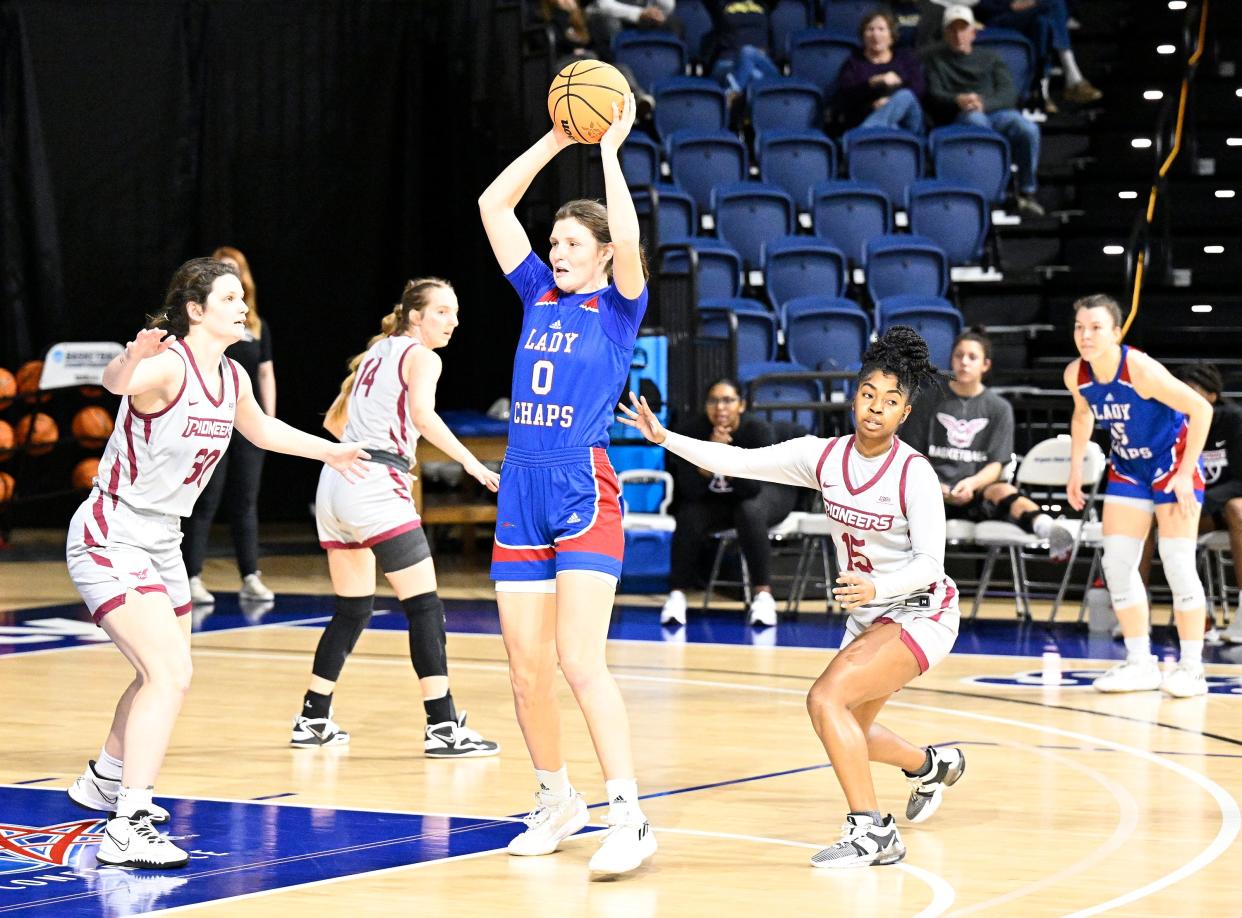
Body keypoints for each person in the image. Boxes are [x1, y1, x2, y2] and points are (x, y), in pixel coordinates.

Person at [621, 326, 966, 868]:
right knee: (851, 728)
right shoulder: (822, 456)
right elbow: (737, 462)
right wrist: (664, 437)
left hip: (921, 612)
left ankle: (873, 833)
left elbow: (930, 566)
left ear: (905, 413)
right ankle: (930, 765)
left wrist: (878, 586)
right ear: (854, 396)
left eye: (891, 401)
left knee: (824, 701)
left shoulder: (913, 474)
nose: (876, 408)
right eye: (869, 394)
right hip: (868, 616)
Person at [64, 258, 368, 869]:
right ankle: (129, 820)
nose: (241, 304)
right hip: (112, 531)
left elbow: (264, 432)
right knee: (168, 673)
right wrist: (129, 358)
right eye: (228, 296)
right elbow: (118, 381)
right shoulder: (168, 362)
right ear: (196, 310)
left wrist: (333, 453)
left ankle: (105, 777)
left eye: (242, 297)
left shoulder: (231, 377)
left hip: (163, 540)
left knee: (167, 672)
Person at [478, 95, 657, 875]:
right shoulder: (535, 295)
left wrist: (611, 154)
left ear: (600, 252)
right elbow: (492, 202)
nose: (555, 249)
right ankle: (557, 797)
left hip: (583, 487)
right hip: (521, 485)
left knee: (581, 661)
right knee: (524, 669)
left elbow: (632, 239)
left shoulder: (619, 308)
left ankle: (630, 815)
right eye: (552, 239)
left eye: (571, 241)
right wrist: (556, 137)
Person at [292, 278, 501, 758]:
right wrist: (470, 463)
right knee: (425, 606)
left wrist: (387, 455)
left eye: (455, 312)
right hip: (372, 487)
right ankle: (443, 726)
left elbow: (334, 423)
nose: (452, 321)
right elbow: (425, 418)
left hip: (335, 484)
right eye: (443, 311)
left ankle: (313, 716)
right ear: (415, 317)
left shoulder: (377, 352)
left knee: (354, 609)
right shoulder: (423, 357)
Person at [1064, 294, 1212, 697]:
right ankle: (1140, 662)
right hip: (1129, 467)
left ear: (1116, 333)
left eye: (1095, 328)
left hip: (1171, 463)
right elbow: (1082, 414)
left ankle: (1192, 668)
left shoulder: (1139, 369)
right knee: (1117, 564)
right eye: (1080, 327)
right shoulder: (1077, 374)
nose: (1086, 335)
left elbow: (1201, 410)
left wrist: (1185, 474)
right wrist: (1076, 467)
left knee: (1179, 563)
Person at [903, 329, 1074, 559]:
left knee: (1003, 490)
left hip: (977, 490)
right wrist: (936, 486)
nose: (964, 362)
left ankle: (1049, 528)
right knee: (906, 493)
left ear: (985, 365)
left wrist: (972, 484)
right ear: (951, 359)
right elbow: (911, 457)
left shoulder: (999, 408)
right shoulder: (927, 400)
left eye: (972, 357)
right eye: (959, 355)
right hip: (932, 490)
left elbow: (996, 464)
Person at [660, 377, 799, 627]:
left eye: (727, 400)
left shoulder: (756, 431)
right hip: (719, 501)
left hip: (768, 494)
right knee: (689, 513)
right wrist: (708, 458)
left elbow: (751, 488)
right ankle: (677, 595)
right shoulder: (692, 431)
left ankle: (763, 596)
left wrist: (724, 457)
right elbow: (689, 490)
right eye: (713, 401)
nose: (720, 407)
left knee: (749, 511)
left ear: (741, 405)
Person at [183, 246, 276, 608]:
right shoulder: (201, 326)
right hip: (210, 422)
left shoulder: (254, 325)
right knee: (205, 499)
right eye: (220, 269)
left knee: (246, 502)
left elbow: (266, 372)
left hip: (247, 424)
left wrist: (268, 421)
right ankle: (190, 576)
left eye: (233, 269)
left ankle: (251, 576)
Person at [922, 4, 1045, 216]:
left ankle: (1026, 190)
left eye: (963, 29)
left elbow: (1009, 94)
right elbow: (934, 93)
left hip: (993, 111)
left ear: (973, 32)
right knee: (977, 123)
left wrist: (983, 103)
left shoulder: (991, 58)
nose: (958, 35)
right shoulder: (935, 59)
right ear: (945, 34)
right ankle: (997, 189)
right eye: (952, 30)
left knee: (1027, 128)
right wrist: (957, 100)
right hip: (959, 115)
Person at [1178, 363, 1242, 644]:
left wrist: (1205, 499)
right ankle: (1196, 614)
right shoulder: (1174, 422)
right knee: (1162, 517)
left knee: (1237, 509)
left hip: (1226, 502)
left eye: (1193, 391)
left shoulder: (1234, 420)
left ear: (1212, 396)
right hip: (1198, 507)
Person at [974, 0, 1102, 109]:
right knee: (1054, 3)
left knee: (1042, 23)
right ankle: (1073, 77)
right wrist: (1011, 6)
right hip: (999, 17)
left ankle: (1041, 91)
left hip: (1031, 14)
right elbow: (980, 4)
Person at [837, 8, 927, 134]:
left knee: (906, 95)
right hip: (870, 117)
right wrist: (872, 83)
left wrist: (891, 103)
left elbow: (919, 87)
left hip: (908, 121)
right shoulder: (854, 62)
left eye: (881, 29)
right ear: (863, 35)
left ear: (891, 35)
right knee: (892, 128)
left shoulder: (905, 58)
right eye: (870, 29)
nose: (875, 35)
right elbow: (847, 94)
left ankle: (861, 135)